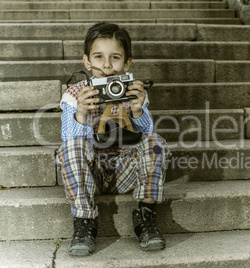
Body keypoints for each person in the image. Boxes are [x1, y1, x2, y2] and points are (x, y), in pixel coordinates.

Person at [55, 22, 170, 256]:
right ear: (87, 61)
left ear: (127, 63)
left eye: (115, 58)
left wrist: (137, 110)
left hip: (125, 170)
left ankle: (145, 216)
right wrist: (81, 113)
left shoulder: (131, 90)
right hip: (91, 172)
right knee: (72, 146)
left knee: (155, 142)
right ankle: (84, 220)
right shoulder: (75, 94)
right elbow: (69, 140)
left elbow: (146, 136)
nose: (107, 65)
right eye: (99, 57)